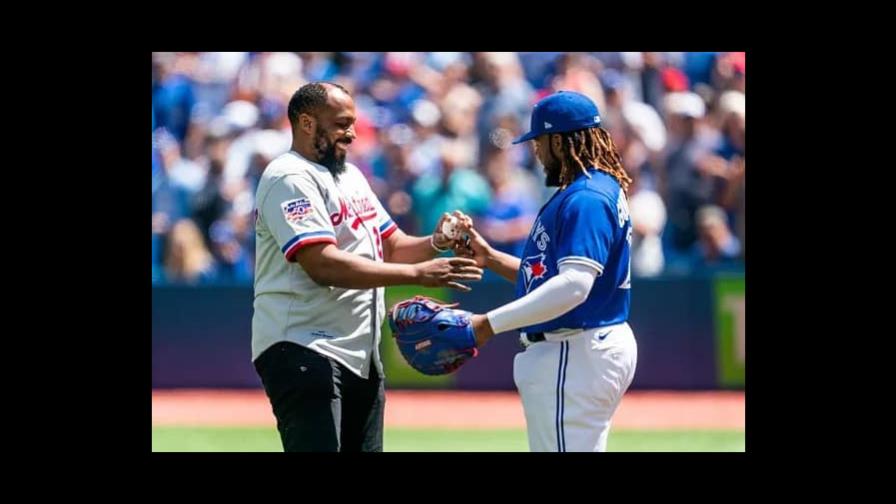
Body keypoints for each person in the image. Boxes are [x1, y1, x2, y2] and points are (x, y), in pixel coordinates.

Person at [251, 82, 482, 452]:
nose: (352, 133)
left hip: (360, 352)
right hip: (303, 345)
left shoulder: (350, 177)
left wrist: (436, 242)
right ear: (307, 123)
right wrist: (417, 275)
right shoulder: (290, 177)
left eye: (353, 123)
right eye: (342, 123)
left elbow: (391, 245)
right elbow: (320, 263)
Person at [454, 90, 638, 452]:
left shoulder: (586, 198)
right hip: (582, 346)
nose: (535, 152)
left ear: (558, 139)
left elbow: (573, 287)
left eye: (538, 141)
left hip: (575, 347)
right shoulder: (592, 188)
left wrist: (486, 324)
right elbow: (552, 279)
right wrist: (490, 257)